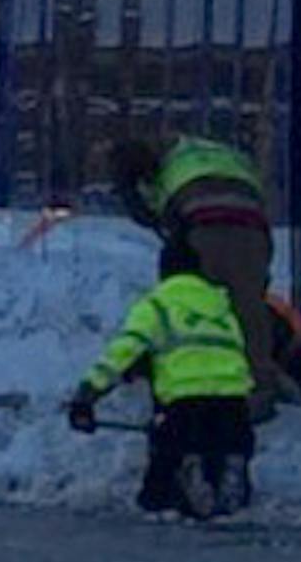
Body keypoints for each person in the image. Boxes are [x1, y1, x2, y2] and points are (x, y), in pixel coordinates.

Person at [68, 234, 254, 520]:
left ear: (164, 272)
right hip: (234, 404)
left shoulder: (157, 304)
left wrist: (86, 396)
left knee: (157, 493)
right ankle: (226, 478)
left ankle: (183, 479)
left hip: (186, 407)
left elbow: (123, 352)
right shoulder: (221, 308)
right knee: (228, 484)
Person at [112, 135, 279, 411]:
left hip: (204, 229)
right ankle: (259, 388)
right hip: (253, 226)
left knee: (190, 305)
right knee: (250, 308)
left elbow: (151, 216)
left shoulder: (162, 177)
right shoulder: (210, 152)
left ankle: (196, 380)